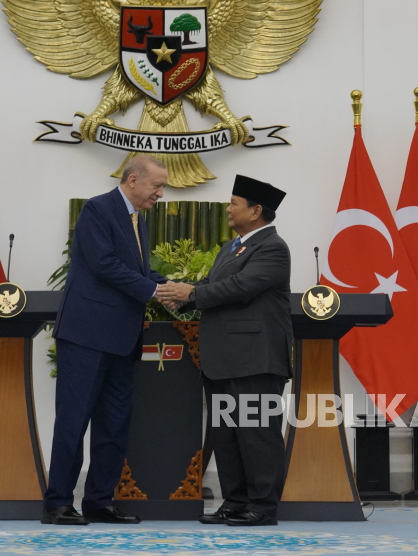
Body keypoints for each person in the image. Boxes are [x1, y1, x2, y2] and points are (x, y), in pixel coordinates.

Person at [43, 155, 175, 525]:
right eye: (157, 186)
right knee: (74, 420)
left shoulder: (138, 220)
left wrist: (176, 288)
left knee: (114, 425)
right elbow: (103, 264)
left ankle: (99, 501)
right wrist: (153, 290)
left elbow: (138, 270)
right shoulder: (97, 210)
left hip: (121, 338)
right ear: (133, 180)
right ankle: (57, 503)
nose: (160, 194)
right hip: (87, 335)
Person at [157, 175, 292, 526]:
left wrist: (192, 294)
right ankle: (235, 501)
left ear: (256, 210)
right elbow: (212, 284)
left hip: (254, 359)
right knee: (227, 435)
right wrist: (178, 293)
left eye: (234, 203)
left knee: (257, 434)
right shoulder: (230, 247)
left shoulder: (273, 247)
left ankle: (262, 507)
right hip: (224, 359)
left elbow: (240, 287)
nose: (228, 209)